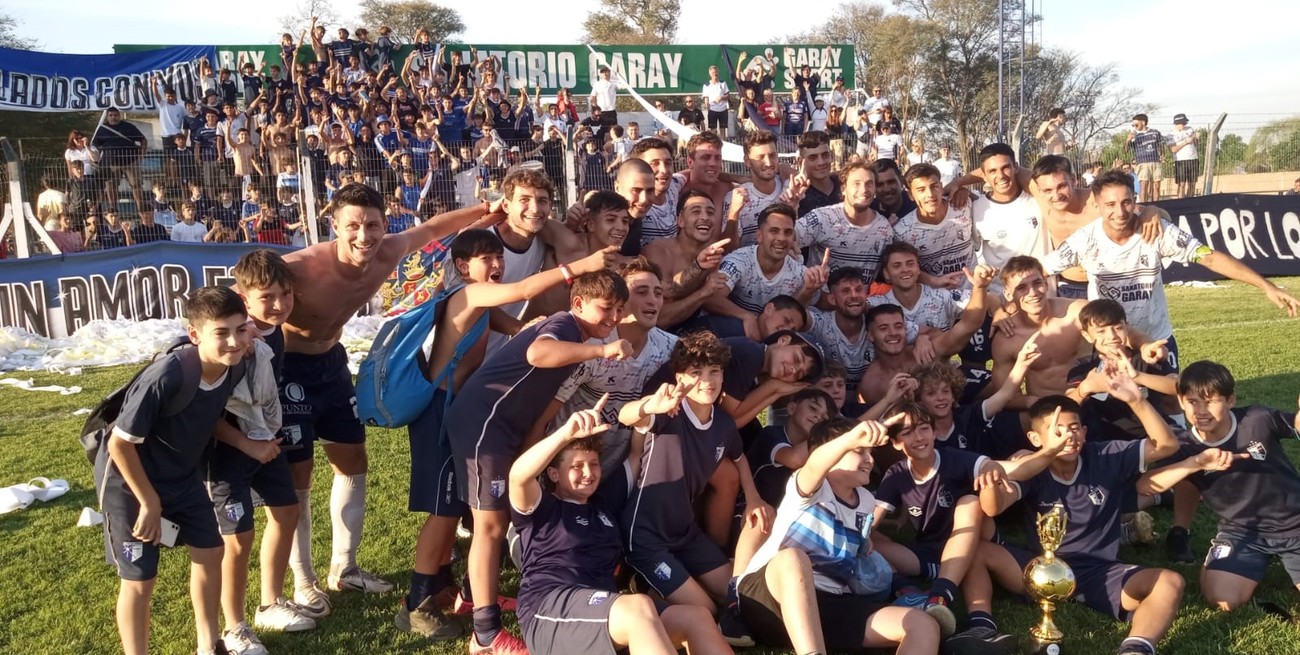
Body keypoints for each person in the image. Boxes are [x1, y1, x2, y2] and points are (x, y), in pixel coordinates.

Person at [277, 184, 505, 616]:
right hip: (288, 370)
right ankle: (303, 581)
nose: (364, 236)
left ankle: (344, 568)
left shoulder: (386, 251)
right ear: (334, 226)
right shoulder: (299, 267)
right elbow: (247, 292)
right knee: (298, 475)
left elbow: (436, 227)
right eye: (353, 226)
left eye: (373, 225)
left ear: (385, 225)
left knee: (352, 462)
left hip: (332, 364)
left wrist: (486, 210)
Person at [398, 231, 616, 642]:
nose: (496, 264)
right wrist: (578, 271)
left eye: (499, 256)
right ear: (462, 267)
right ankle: (465, 624)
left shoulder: (532, 320)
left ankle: (468, 593)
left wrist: (523, 327)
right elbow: (535, 342)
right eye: (485, 257)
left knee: (474, 514)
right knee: (473, 518)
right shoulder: (471, 295)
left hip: (479, 418)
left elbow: (518, 333)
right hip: (458, 415)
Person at [447, 270, 632, 654]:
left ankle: (472, 593)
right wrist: (601, 351)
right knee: (491, 523)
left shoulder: (576, 335)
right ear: (578, 304)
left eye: (619, 310)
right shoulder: (564, 325)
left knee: (504, 515)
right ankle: (485, 634)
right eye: (606, 308)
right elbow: (537, 353)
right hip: (485, 424)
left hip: (506, 430)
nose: (613, 318)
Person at [510, 400, 735, 655]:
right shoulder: (542, 509)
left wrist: (650, 407)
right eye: (576, 466)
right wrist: (565, 435)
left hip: (605, 614)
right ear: (553, 474)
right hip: (550, 610)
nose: (588, 472)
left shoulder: (603, 503)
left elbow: (636, 455)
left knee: (696, 616)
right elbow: (518, 477)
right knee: (639, 607)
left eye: (593, 464)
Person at [974, 389, 1187, 655]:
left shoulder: (1105, 455)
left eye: (1074, 428)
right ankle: (980, 625)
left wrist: (1137, 400)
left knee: (1170, 581)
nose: (1069, 436)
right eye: (1058, 431)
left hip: (1099, 571)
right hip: (1041, 569)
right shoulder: (1032, 467)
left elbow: (1167, 445)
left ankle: (1136, 649)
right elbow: (993, 507)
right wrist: (990, 481)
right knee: (979, 549)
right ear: (1035, 438)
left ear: (1085, 432)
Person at [101, 286, 252, 655]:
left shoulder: (234, 365)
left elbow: (207, 417)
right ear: (195, 334)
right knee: (140, 580)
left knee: (210, 552)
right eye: (221, 332)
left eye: (241, 329)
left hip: (183, 481)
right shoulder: (167, 374)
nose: (234, 341)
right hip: (131, 486)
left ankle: (209, 644)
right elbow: (119, 444)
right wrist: (149, 502)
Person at [1041, 170, 1300, 372]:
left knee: (1169, 399)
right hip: (1110, 341)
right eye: (1110, 205)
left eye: (1126, 202)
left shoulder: (1156, 231)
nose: (1119, 212)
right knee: (1115, 411)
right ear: (1096, 205)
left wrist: (1267, 286)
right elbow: (1040, 270)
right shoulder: (1084, 239)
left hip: (1158, 335)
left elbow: (1209, 258)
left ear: (1135, 200)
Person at [736, 414, 943, 655]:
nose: (869, 459)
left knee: (922, 624)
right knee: (793, 557)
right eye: (859, 451)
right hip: (768, 600)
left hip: (828, 605)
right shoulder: (810, 487)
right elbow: (815, 463)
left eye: (869, 452)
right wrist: (849, 438)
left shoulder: (866, 501)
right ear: (832, 456)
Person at [205, 252, 315, 655]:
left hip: (266, 443)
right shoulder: (237, 342)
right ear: (243, 297)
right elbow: (206, 411)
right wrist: (246, 443)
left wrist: (265, 436)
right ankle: (233, 627)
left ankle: (270, 602)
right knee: (238, 539)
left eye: (285, 294)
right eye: (267, 297)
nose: (280, 304)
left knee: (286, 513)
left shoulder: (274, 331)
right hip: (228, 451)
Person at [618, 332, 773, 612]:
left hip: (685, 532)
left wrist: (752, 497)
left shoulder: (724, 425)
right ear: (680, 379)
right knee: (706, 610)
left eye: (714, 371)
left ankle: (669, 584)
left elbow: (738, 458)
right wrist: (648, 405)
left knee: (734, 596)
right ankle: (643, 588)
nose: (707, 380)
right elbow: (626, 415)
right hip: (645, 536)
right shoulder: (668, 412)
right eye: (696, 372)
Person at [1137, 361, 1300, 612]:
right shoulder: (1183, 446)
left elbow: (1295, 424)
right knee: (1222, 600)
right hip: (1241, 532)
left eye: (1211, 401)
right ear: (1181, 401)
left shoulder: (1256, 419)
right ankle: (1228, 567)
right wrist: (1194, 463)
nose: (1201, 411)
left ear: (1230, 400)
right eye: (1193, 402)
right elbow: (1145, 486)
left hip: (1295, 525)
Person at [796, 161, 893, 285]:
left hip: (862, 302)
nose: (863, 190)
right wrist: (791, 206)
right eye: (856, 184)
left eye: (869, 184)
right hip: (820, 300)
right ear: (843, 189)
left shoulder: (884, 229)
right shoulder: (821, 218)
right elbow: (788, 240)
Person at [93, 107, 149, 212]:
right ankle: (113, 210)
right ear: (107, 117)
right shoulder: (102, 129)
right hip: (111, 163)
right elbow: (95, 145)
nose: (113, 117)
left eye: (115, 115)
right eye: (111, 115)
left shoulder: (128, 127)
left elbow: (143, 139)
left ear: (119, 115)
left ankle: (141, 209)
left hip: (130, 161)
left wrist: (142, 153)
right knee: (111, 186)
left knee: (136, 186)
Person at [1127, 114, 1164, 203]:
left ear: (1143, 122)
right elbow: (1126, 150)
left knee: (1156, 186)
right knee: (1143, 185)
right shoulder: (1134, 135)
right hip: (1142, 163)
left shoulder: (1155, 132)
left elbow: (1161, 145)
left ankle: (1156, 205)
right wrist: (1128, 140)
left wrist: (1162, 155)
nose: (1134, 127)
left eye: (1136, 125)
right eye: (1133, 125)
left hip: (1155, 161)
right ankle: (1144, 205)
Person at [1168, 114, 1199, 200]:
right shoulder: (1171, 135)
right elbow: (1173, 149)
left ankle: (1190, 201)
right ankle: (1180, 202)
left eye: (1185, 123)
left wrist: (1196, 138)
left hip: (1193, 159)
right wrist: (1186, 142)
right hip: (1180, 161)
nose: (1185, 125)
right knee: (1181, 184)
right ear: (1177, 123)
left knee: (1192, 183)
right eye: (1183, 123)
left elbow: (1196, 143)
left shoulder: (1190, 129)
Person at [703, 66, 731, 138]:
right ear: (710, 74)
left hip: (723, 109)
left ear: (718, 72)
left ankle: (724, 146)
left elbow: (728, 96)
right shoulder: (706, 85)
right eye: (712, 73)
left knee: (723, 129)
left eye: (715, 72)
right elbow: (706, 98)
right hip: (712, 110)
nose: (714, 74)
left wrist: (721, 98)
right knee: (713, 130)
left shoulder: (723, 83)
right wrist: (707, 106)